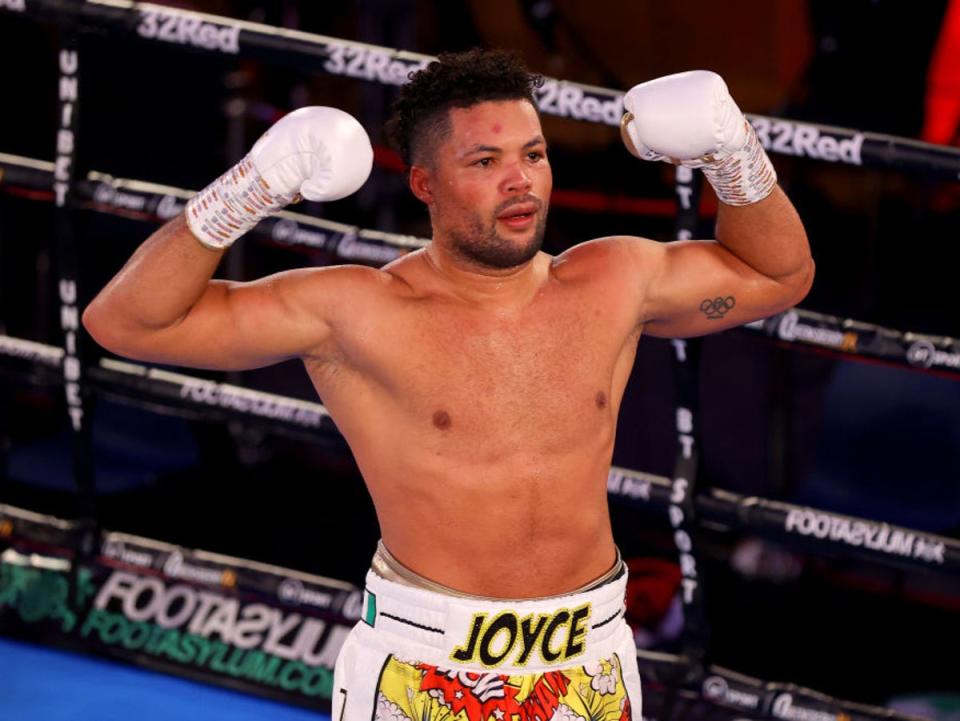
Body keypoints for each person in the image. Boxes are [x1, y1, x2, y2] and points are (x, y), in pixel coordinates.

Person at [83, 49, 812, 721]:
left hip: (588, 662)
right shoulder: (357, 311)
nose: (519, 179)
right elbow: (126, 324)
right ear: (425, 183)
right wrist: (248, 190)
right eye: (486, 160)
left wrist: (733, 150)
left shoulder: (613, 280)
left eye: (534, 154)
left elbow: (779, 274)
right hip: (427, 669)